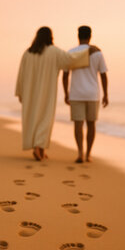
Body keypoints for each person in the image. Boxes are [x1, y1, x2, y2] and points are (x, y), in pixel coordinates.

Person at [15, 26, 94, 161]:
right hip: (46, 92)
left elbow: (21, 74)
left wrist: (20, 92)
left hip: (30, 93)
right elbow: (70, 59)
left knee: (33, 118)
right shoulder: (53, 51)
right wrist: (88, 51)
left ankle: (39, 149)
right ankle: (39, 148)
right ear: (50, 37)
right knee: (45, 118)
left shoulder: (27, 53)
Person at [62, 25, 109, 163]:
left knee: (78, 124)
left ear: (78, 36)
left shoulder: (70, 52)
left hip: (76, 93)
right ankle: (88, 154)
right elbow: (103, 75)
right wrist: (106, 94)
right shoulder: (97, 53)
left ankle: (80, 153)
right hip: (92, 94)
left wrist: (66, 93)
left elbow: (65, 75)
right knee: (91, 124)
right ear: (90, 36)